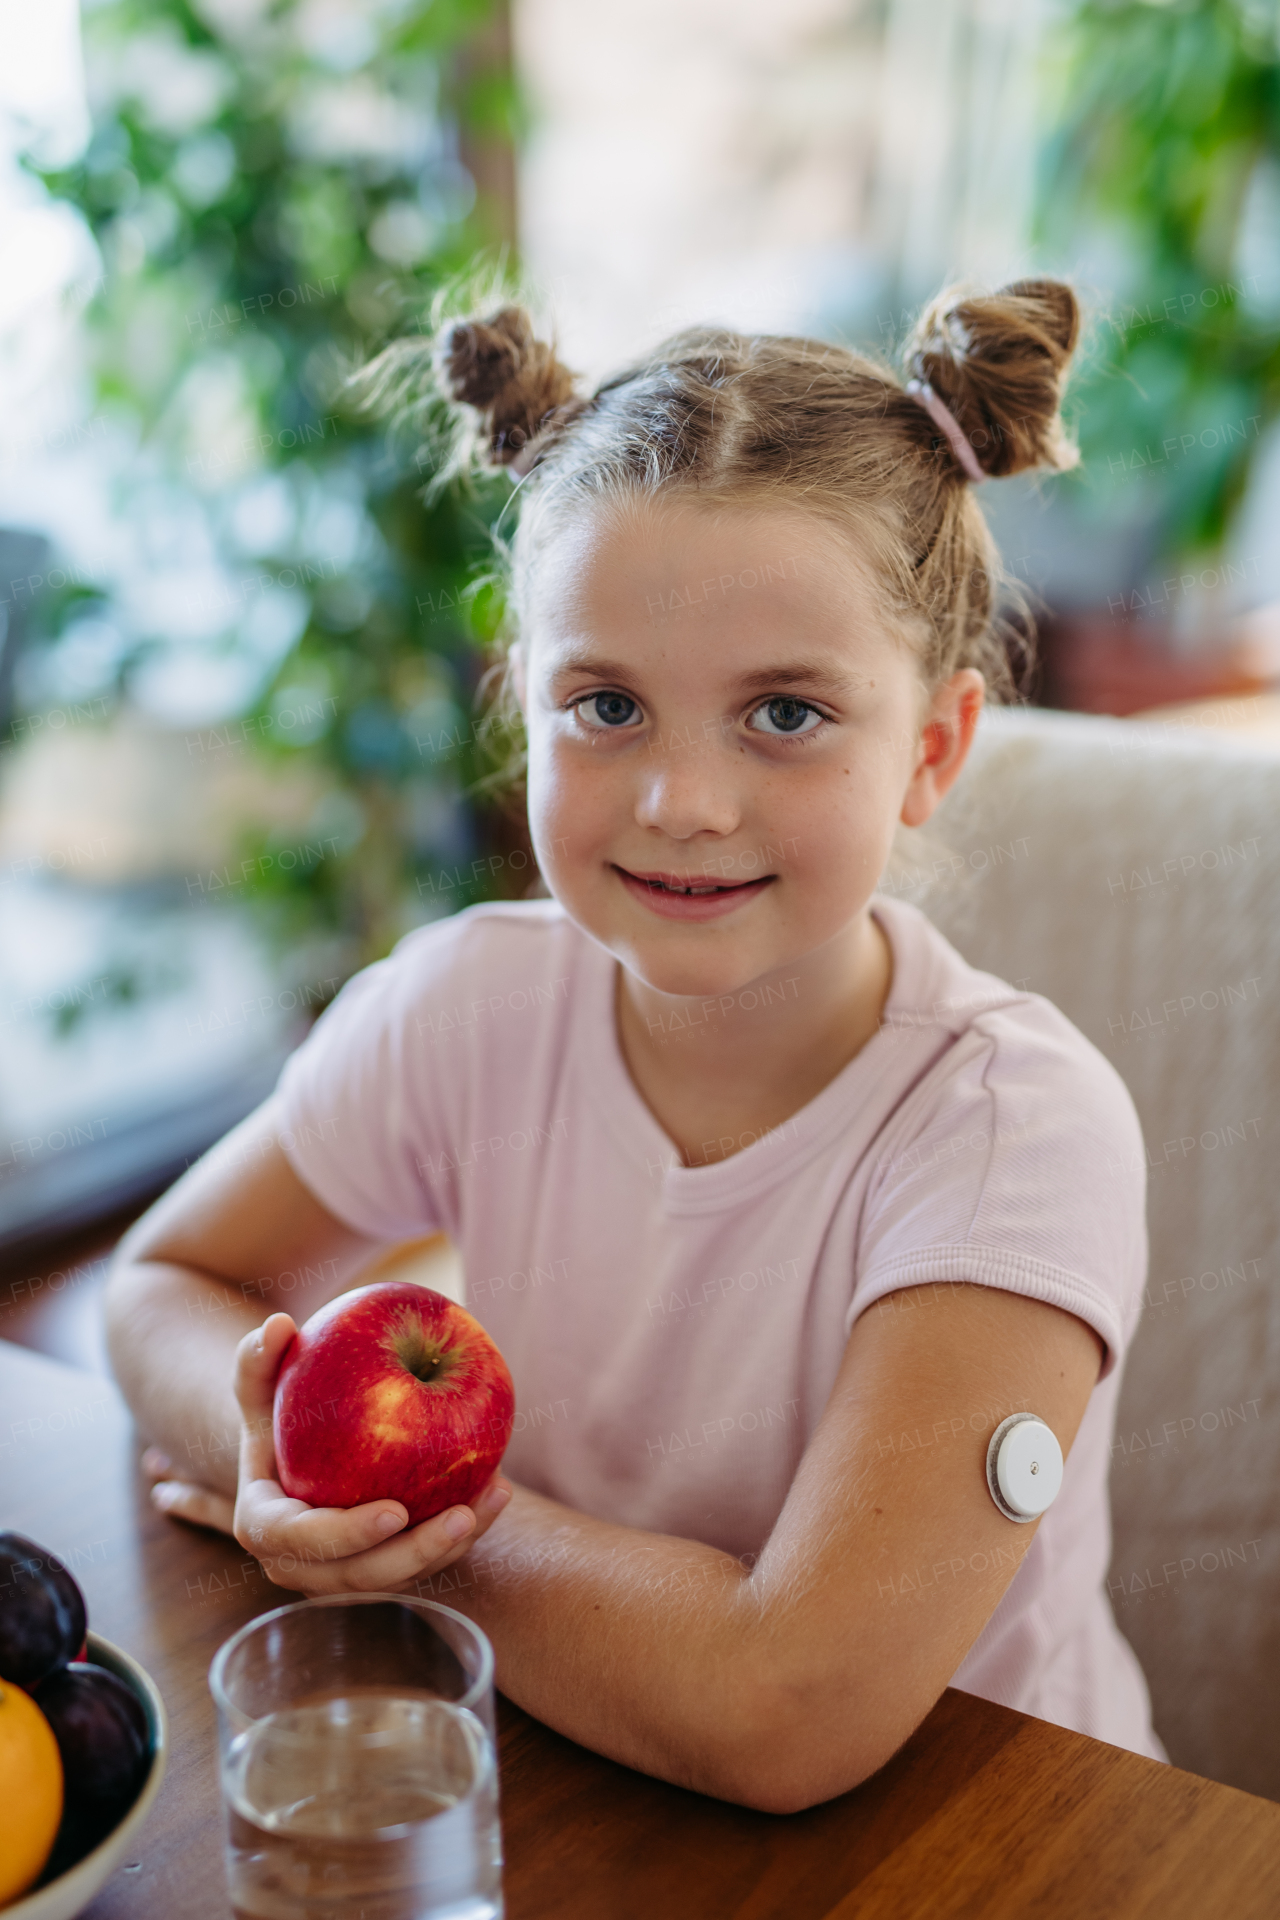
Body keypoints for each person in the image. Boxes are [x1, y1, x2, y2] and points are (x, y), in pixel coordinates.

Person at [105, 278, 1168, 1812]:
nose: (681, 801)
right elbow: (161, 1285)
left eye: (785, 716)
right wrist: (281, 1472)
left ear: (931, 750)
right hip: (595, 1775)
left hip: (994, 1850)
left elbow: (782, 1711)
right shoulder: (465, 1004)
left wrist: (407, 1542)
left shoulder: (1014, 1131)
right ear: (520, 708)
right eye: (605, 703)